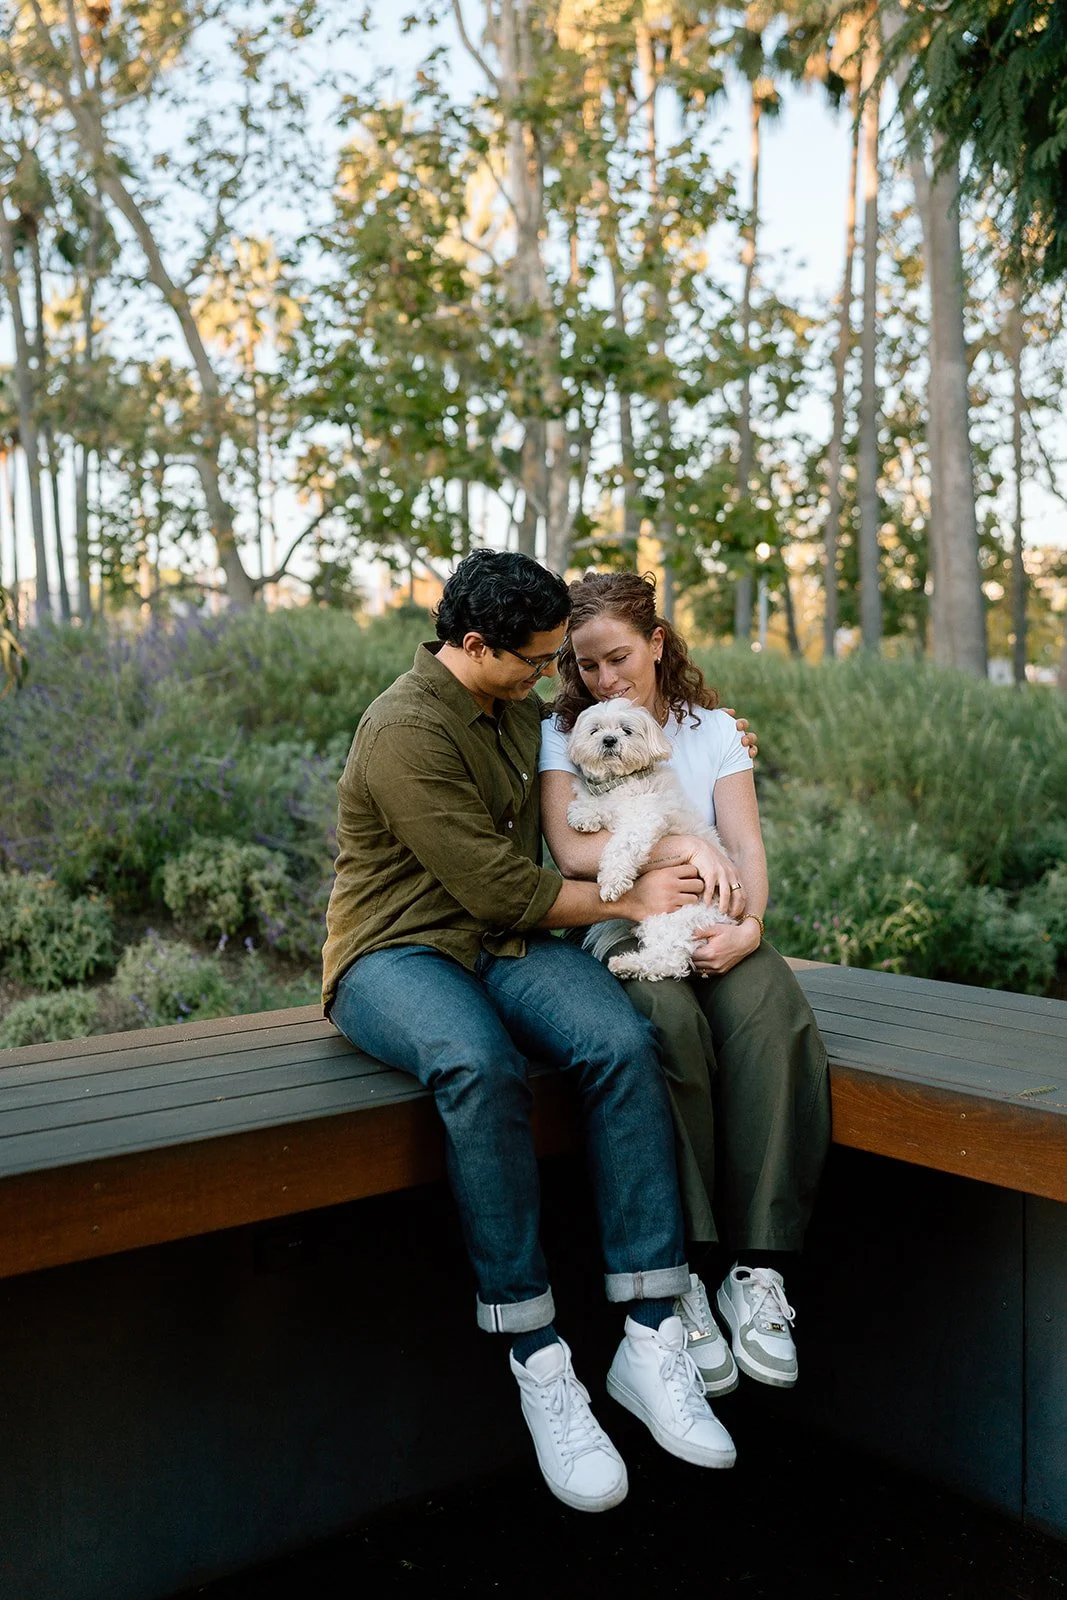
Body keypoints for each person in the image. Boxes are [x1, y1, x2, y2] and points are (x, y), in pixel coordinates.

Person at [323, 550, 742, 1515]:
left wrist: (718, 741)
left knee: (621, 1043)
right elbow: (499, 885)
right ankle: (538, 1356)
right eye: (539, 661)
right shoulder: (402, 732)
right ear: (475, 646)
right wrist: (635, 894)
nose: (553, 678)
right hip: (397, 953)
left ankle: (648, 1331)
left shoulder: (512, 706)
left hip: (504, 944)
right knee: (478, 1064)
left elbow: (616, 751)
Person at [540, 570, 830, 1398]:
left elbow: (745, 844)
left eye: (618, 658)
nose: (604, 680)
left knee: (774, 1018)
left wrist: (751, 928)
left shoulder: (711, 731)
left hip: (717, 921)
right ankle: (686, 1273)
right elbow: (570, 850)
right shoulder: (565, 732)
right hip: (619, 917)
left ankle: (757, 1267)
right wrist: (678, 852)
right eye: (586, 666)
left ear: (657, 642)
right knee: (665, 1021)